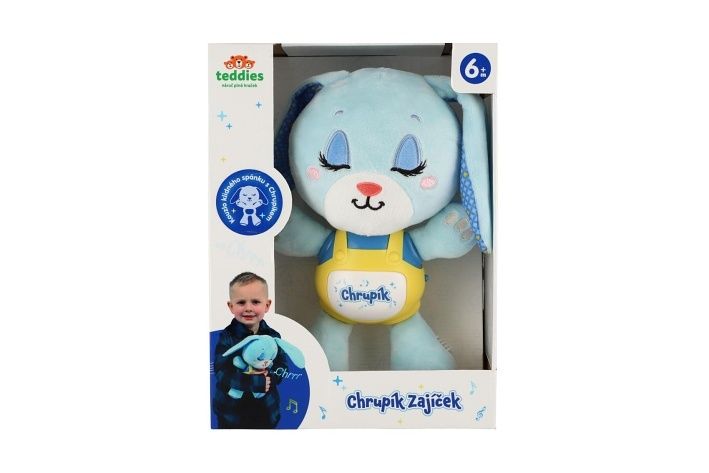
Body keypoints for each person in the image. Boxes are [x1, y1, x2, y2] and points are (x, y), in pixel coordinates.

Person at [212, 272, 286, 429]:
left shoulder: (273, 337)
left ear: (267, 305)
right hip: (231, 413)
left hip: (266, 410)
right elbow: (221, 372)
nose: (248, 308)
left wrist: (270, 378)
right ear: (231, 306)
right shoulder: (227, 337)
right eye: (241, 302)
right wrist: (256, 382)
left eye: (255, 302)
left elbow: (282, 366)